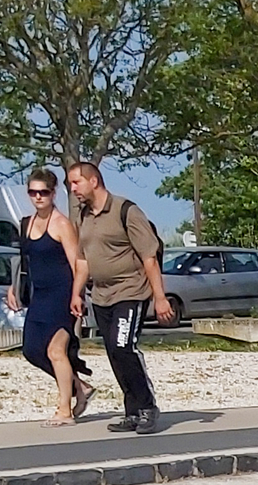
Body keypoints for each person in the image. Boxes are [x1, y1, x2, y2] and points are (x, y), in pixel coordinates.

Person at [66, 159, 176, 434]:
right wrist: (76, 293)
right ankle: (133, 411)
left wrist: (160, 297)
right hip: (101, 295)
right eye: (70, 185)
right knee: (114, 352)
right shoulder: (83, 216)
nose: (73, 189)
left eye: (76, 183)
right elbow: (82, 261)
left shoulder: (126, 211)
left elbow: (149, 257)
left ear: (93, 181)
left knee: (124, 346)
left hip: (131, 291)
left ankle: (148, 406)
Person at [10, 169, 96, 425]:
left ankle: (64, 410)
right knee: (32, 350)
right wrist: (12, 288)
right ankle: (80, 386)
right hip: (39, 296)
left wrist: (76, 295)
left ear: (53, 193)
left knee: (56, 350)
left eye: (43, 192)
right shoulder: (26, 223)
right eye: (33, 192)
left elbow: (78, 263)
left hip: (61, 295)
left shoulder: (61, 224)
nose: (38, 197)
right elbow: (23, 261)